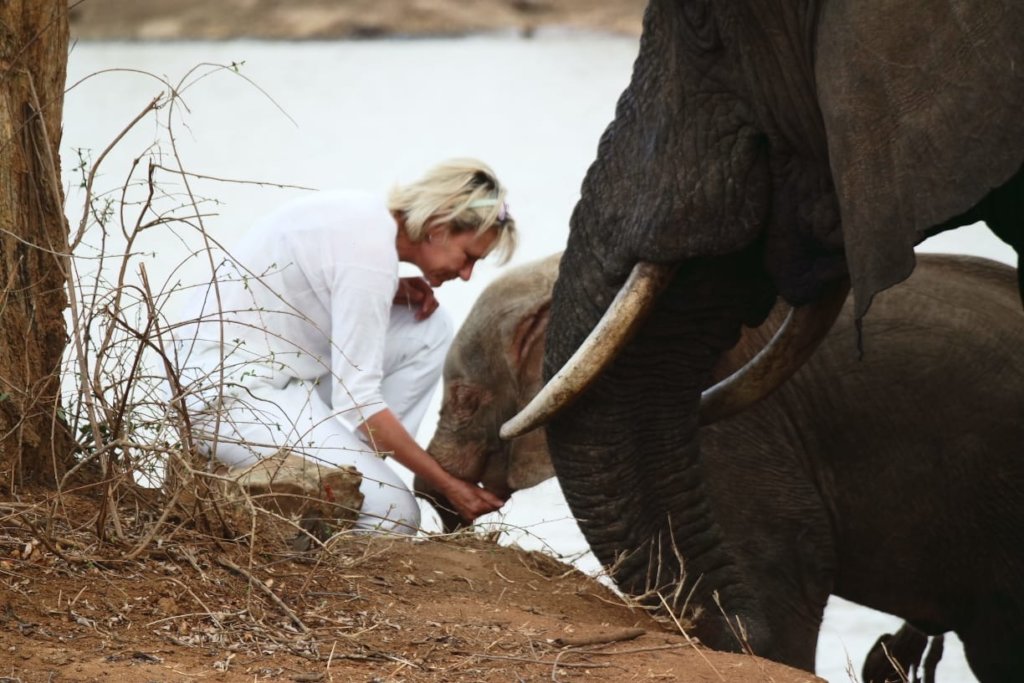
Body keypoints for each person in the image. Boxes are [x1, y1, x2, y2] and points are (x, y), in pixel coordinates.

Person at [171, 158, 517, 534]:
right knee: (396, 515)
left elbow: (319, 283)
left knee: (428, 327)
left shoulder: (364, 218)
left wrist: (391, 289)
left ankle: (356, 469)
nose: (466, 275)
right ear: (437, 227)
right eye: (468, 257)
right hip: (226, 397)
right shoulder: (370, 257)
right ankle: (326, 507)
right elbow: (360, 402)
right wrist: (449, 485)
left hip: (274, 373)